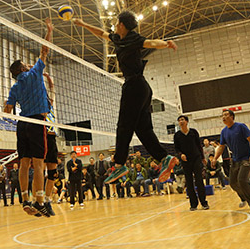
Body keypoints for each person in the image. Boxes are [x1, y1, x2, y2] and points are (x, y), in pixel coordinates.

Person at [72, 12, 178, 184]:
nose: (114, 25)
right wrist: (83, 24)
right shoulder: (118, 39)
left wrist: (166, 44)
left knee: (124, 126)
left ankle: (120, 164)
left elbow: (151, 43)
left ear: (122, 25)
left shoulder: (134, 38)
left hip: (134, 86)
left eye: (116, 23)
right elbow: (101, 33)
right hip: (142, 88)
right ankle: (164, 157)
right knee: (143, 129)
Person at [4, 18, 54, 217]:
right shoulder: (34, 73)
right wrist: (49, 30)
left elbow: (7, 110)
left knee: (24, 163)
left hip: (22, 124)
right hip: (36, 122)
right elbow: (45, 50)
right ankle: (40, 201)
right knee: (39, 163)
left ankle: (25, 199)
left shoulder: (15, 87)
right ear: (24, 68)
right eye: (25, 64)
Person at [213, 110, 250, 213]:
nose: (223, 117)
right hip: (235, 160)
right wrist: (215, 158)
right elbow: (221, 147)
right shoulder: (224, 131)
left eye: (226, 115)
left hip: (246, 158)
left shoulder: (241, 126)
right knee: (232, 182)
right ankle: (243, 198)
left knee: (242, 180)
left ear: (232, 117)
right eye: (222, 115)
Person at [174, 115, 209, 211]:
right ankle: (193, 204)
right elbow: (176, 148)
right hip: (185, 161)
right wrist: (180, 154)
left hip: (196, 158)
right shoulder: (177, 135)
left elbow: (199, 145)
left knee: (199, 180)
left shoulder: (193, 132)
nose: (181, 121)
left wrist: (203, 157)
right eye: (179, 120)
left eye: (182, 119)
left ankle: (204, 203)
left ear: (186, 121)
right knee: (189, 182)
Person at [43, 73, 58, 216]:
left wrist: (48, 77)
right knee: (40, 172)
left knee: (53, 173)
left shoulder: (50, 106)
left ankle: (47, 200)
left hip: (52, 139)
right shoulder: (37, 108)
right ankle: (38, 200)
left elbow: (52, 89)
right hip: (42, 138)